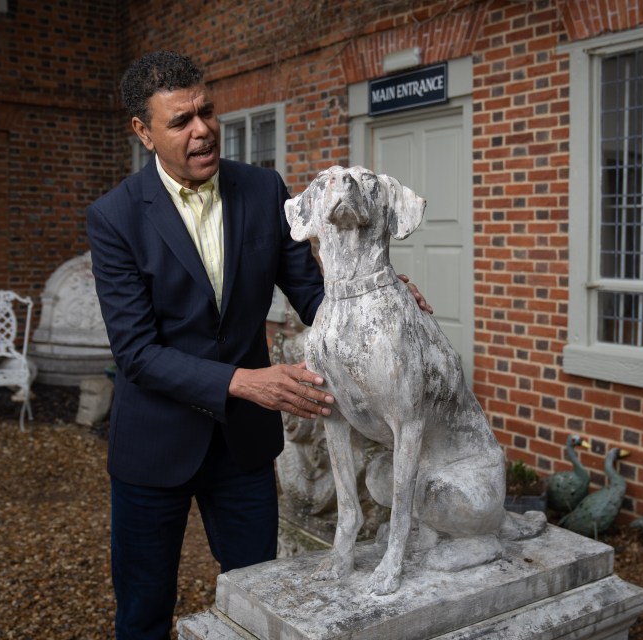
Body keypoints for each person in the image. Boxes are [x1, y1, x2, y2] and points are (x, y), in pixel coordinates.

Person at [86, 51, 429, 639]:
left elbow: (312, 294)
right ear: (143, 132)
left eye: (207, 111)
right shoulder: (114, 218)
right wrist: (247, 382)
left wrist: (375, 304)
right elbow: (136, 353)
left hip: (241, 448)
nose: (202, 131)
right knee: (143, 612)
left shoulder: (263, 189)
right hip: (153, 450)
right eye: (180, 121)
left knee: (261, 592)